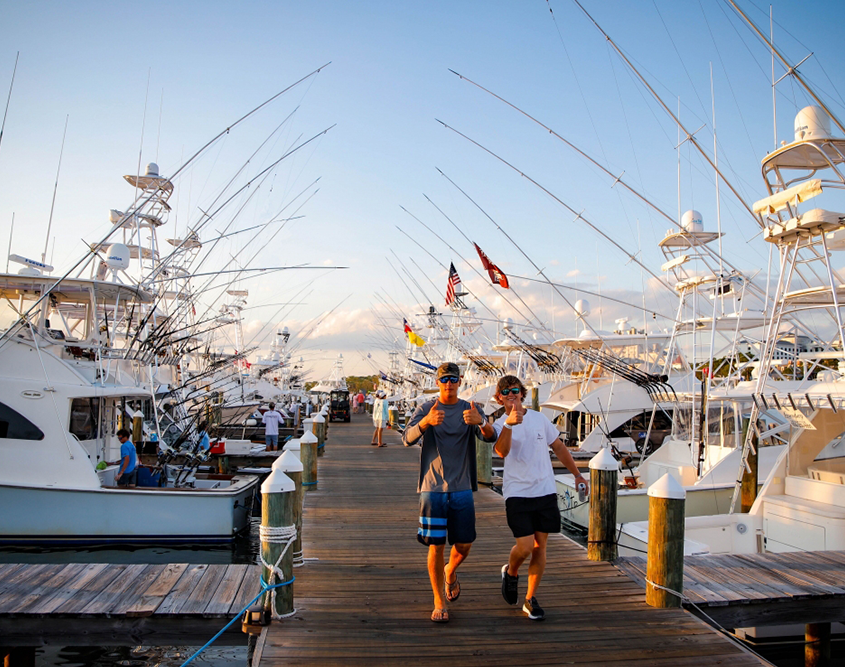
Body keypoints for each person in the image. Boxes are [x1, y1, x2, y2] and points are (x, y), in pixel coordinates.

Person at [403, 362, 497, 624]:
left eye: (453, 379)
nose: (449, 383)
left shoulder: (471, 408)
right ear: (437, 382)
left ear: (460, 380)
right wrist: (426, 422)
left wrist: (481, 423)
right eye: (444, 379)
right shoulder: (426, 408)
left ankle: (450, 571)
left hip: (462, 487)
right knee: (436, 546)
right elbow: (406, 438)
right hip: (432, 488)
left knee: (464, 544)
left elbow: (491, 437)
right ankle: (438, 600)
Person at [492, 375, 589, 621]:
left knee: (540, 546)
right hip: (517, 492)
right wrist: (509, 425)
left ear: (522, 393)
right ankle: (511, 572)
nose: (510, 394)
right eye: (505, 391)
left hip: (544, 490)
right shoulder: (500, 423)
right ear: (499, 397)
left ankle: (530, 599)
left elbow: (558, 447)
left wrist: (577, 474)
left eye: (514, 389)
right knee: (524, 546)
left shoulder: (539, 418)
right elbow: (501, 451)